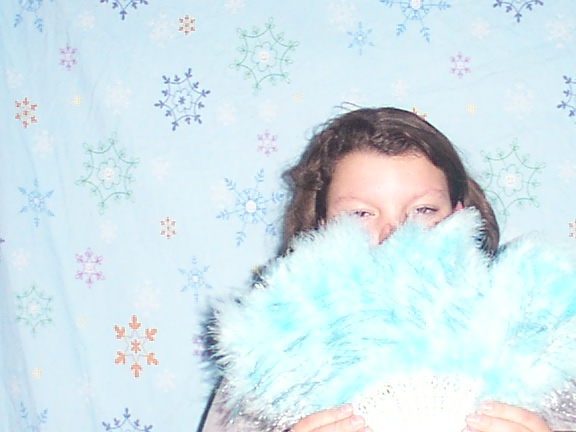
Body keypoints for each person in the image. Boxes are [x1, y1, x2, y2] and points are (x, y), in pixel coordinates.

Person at [198, 107, 555, 432]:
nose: (395, 234)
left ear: (460, 215)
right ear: (323, 225)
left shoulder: (536, 336)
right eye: (361, 213)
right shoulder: (270, 358)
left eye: (423, 210)